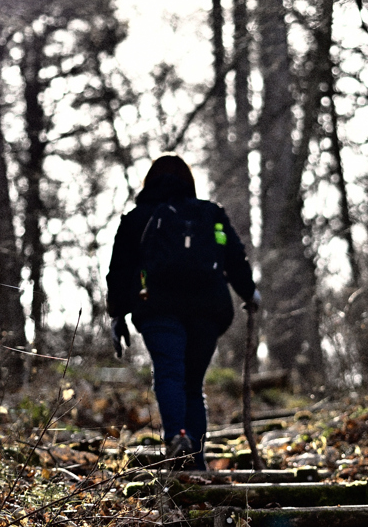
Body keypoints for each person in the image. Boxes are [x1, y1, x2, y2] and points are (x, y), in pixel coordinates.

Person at [106, 154, 260, 469]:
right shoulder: (211, 215)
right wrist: (250, 294)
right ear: (189, 182)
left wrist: (117, 314)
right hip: (208, 308)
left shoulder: (137, 218)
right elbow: (234, 258)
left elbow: (119, 271)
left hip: (157, 306)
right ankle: (196, 461)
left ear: (149, 181)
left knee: (169, 373)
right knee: (192, 383)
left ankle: (176, 438)